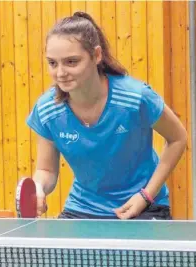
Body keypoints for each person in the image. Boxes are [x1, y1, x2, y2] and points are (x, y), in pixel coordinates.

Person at [27, 11, 187, 220]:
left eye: (71, 62)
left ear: (97, 55)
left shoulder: (135, 98)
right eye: (52, 63)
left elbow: (178, 138)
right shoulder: (48, 109)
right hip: (83, 209)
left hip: (143, 207)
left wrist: (146, 195)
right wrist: (38, 187)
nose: (60, 73)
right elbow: (46, 170)